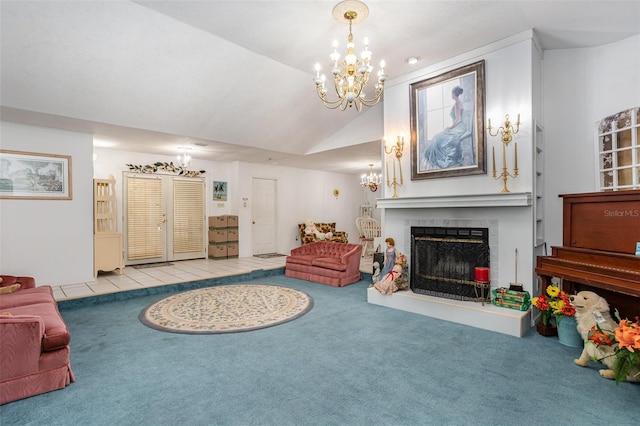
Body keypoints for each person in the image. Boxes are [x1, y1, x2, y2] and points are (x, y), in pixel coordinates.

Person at [424, 86, 466, 169]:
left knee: (437, 137)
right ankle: (440, 158)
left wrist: (450, 127)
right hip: (458, 126)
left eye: (452, 93)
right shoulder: (458, 103)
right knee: (437, 137)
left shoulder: (457, 104)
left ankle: (441, 159)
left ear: (454, 94)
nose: (451, 95)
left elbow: (458, 119)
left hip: (459, 127)